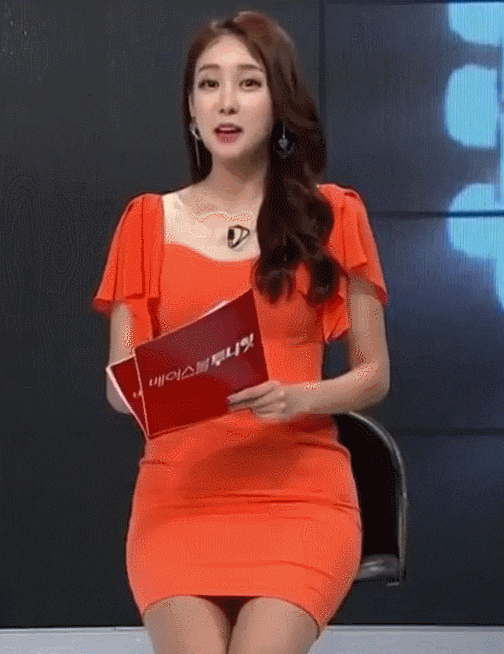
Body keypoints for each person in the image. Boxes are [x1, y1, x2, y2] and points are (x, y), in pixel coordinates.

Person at [92, 9, 390, 654]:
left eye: (248, 83)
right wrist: (176, 376)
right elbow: (119, 387)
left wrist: (298, 397)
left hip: (299, 497)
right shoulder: (145, 222)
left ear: (278, 101)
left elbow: (374, 374)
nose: (226, 102)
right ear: (191, 108)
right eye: (209, 84)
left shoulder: (334, 215)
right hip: (179, 500)